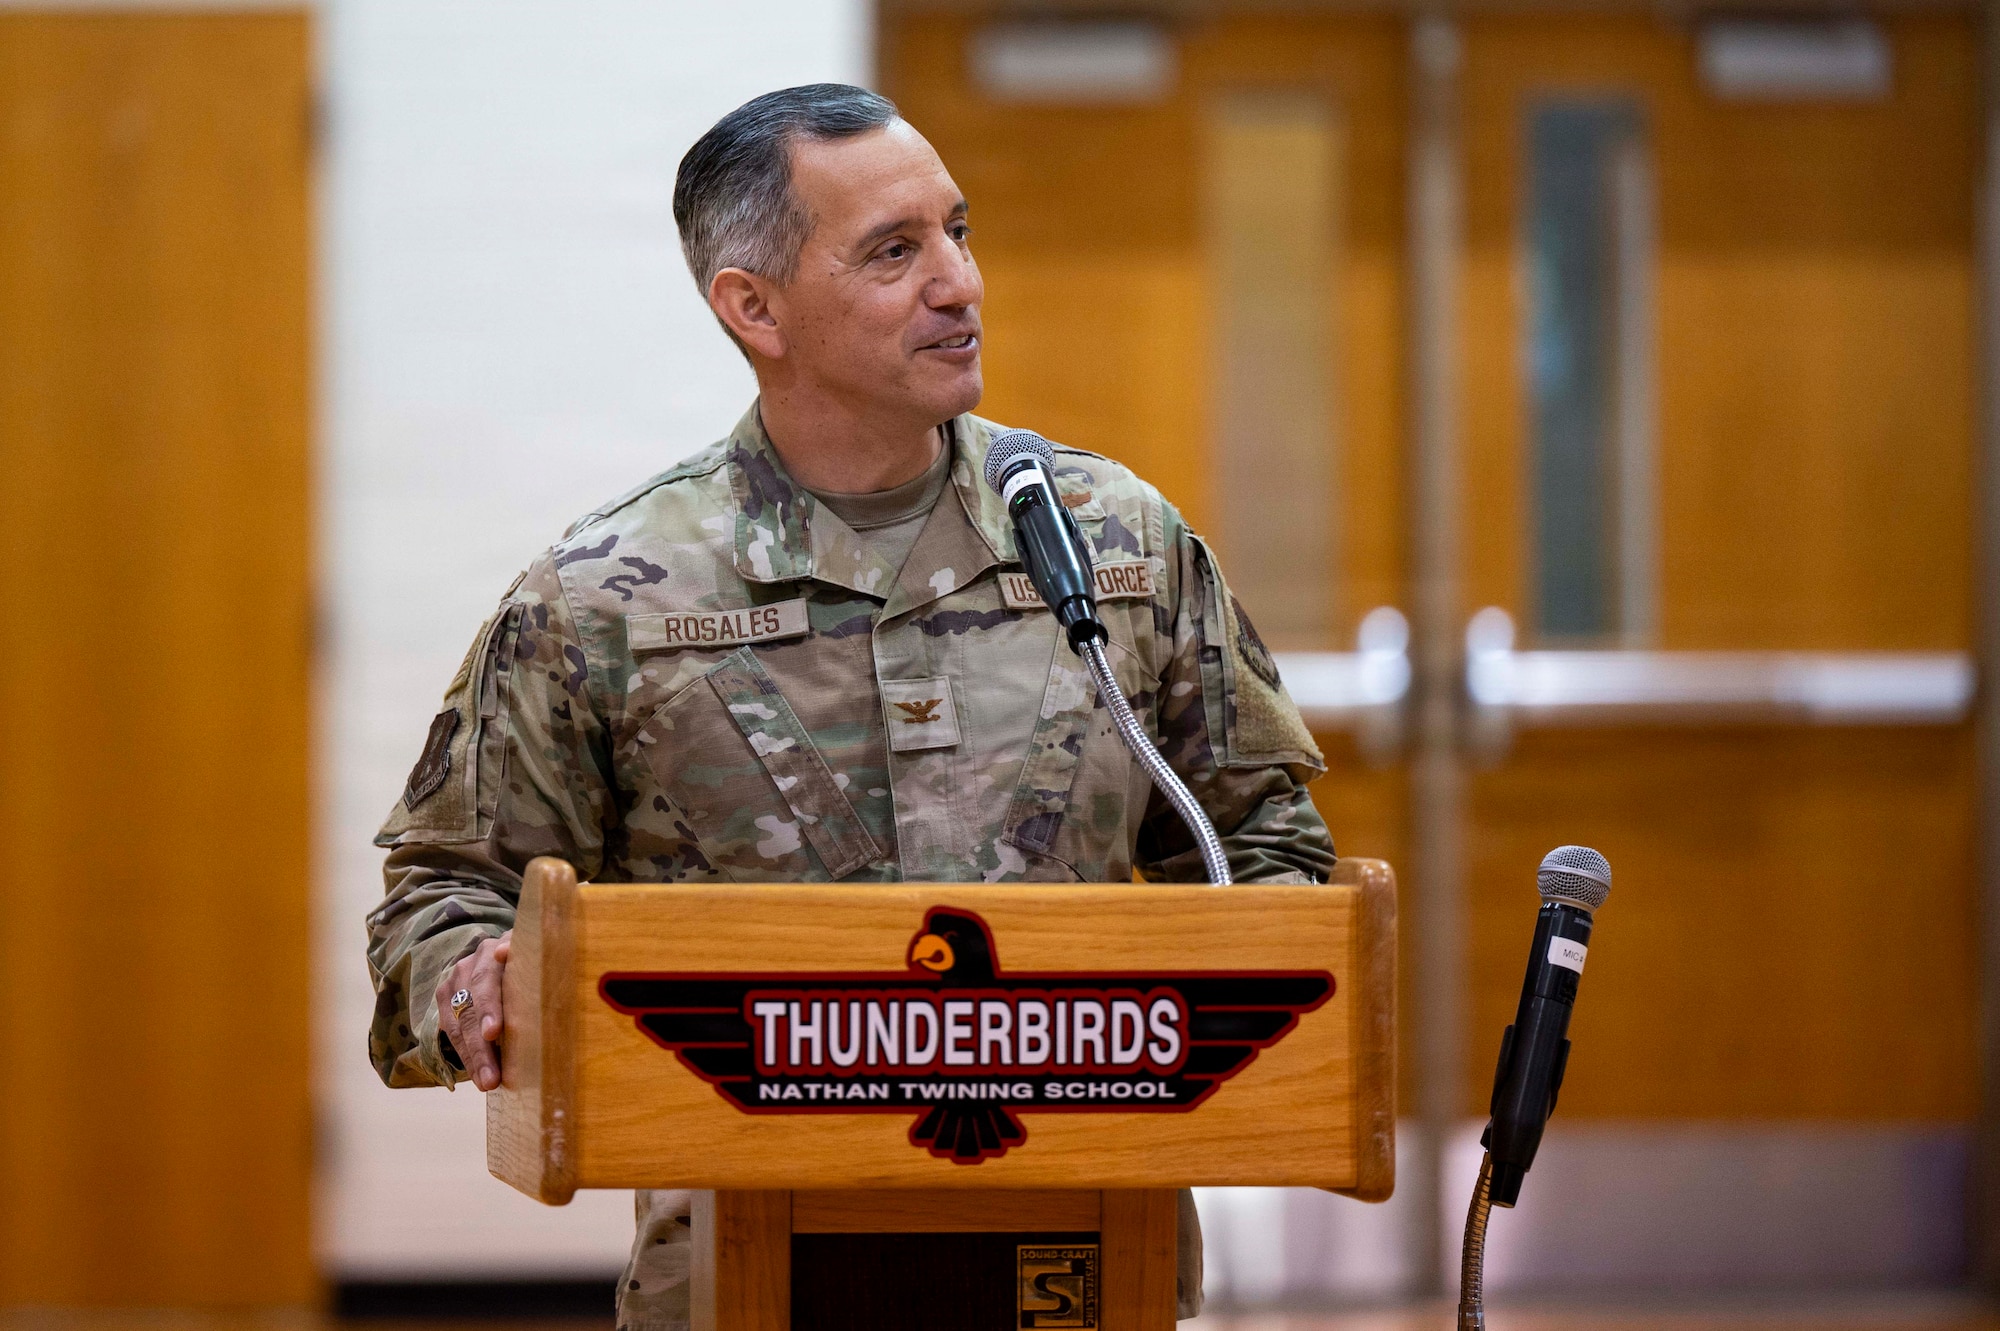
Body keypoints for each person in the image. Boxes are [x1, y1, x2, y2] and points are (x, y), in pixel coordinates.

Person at [364, 83, 1336, 1331]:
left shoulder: (1111, 545)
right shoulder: (606, 594)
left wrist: (1238, 975)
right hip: (745, 1271)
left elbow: (1262, 846)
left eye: (956, 232)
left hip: (1082, 1254)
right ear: (752, 307)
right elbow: (440, 894)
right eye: (892, 251)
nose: (958, 283)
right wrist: (475, 985)